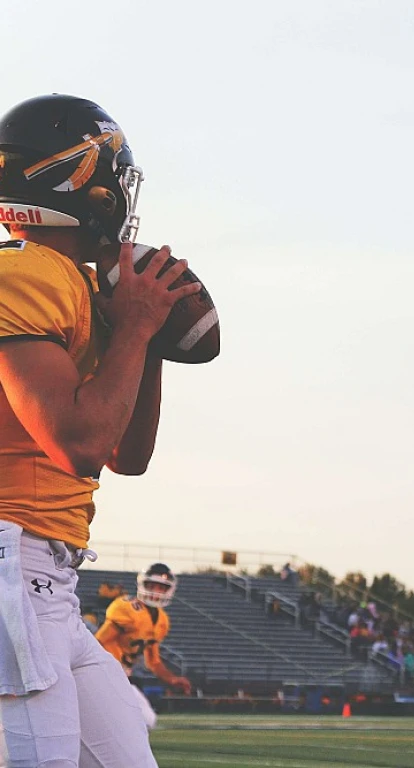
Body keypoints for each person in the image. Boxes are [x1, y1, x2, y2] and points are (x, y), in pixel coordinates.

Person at [0, 93, 201, 767]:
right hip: (12, 558)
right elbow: (78, 443)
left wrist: (145, 339)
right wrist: (138, 327)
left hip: (48, 577)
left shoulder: (71, 284)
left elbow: (125, 454)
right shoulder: (26, 272)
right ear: (80, 180)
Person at [95, 563, 192, 729]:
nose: (156, 591)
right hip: (103, 673)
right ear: (142, 584)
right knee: (137, 721)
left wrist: (172, 679)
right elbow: (98, 641)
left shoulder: (161, 620)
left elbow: (153, 662)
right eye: (152, 585)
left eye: (162, 587)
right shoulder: (127, 608)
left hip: (122, 677)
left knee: (147, 720)